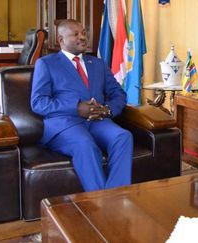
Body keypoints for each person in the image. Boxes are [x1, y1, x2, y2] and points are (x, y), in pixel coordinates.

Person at [30, 19, 133, 192]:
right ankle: (101, 204)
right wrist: (76, 107)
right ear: (61, 40)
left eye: (84, 33)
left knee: (123, 137)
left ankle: (116, 197)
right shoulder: (47, 64)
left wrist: (107, 109)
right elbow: (38, 102)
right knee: (85, 145)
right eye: (75, 34)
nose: (83, 37)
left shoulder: (98, 63)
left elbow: (118, 94)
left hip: (98, 121)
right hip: (65, 124)